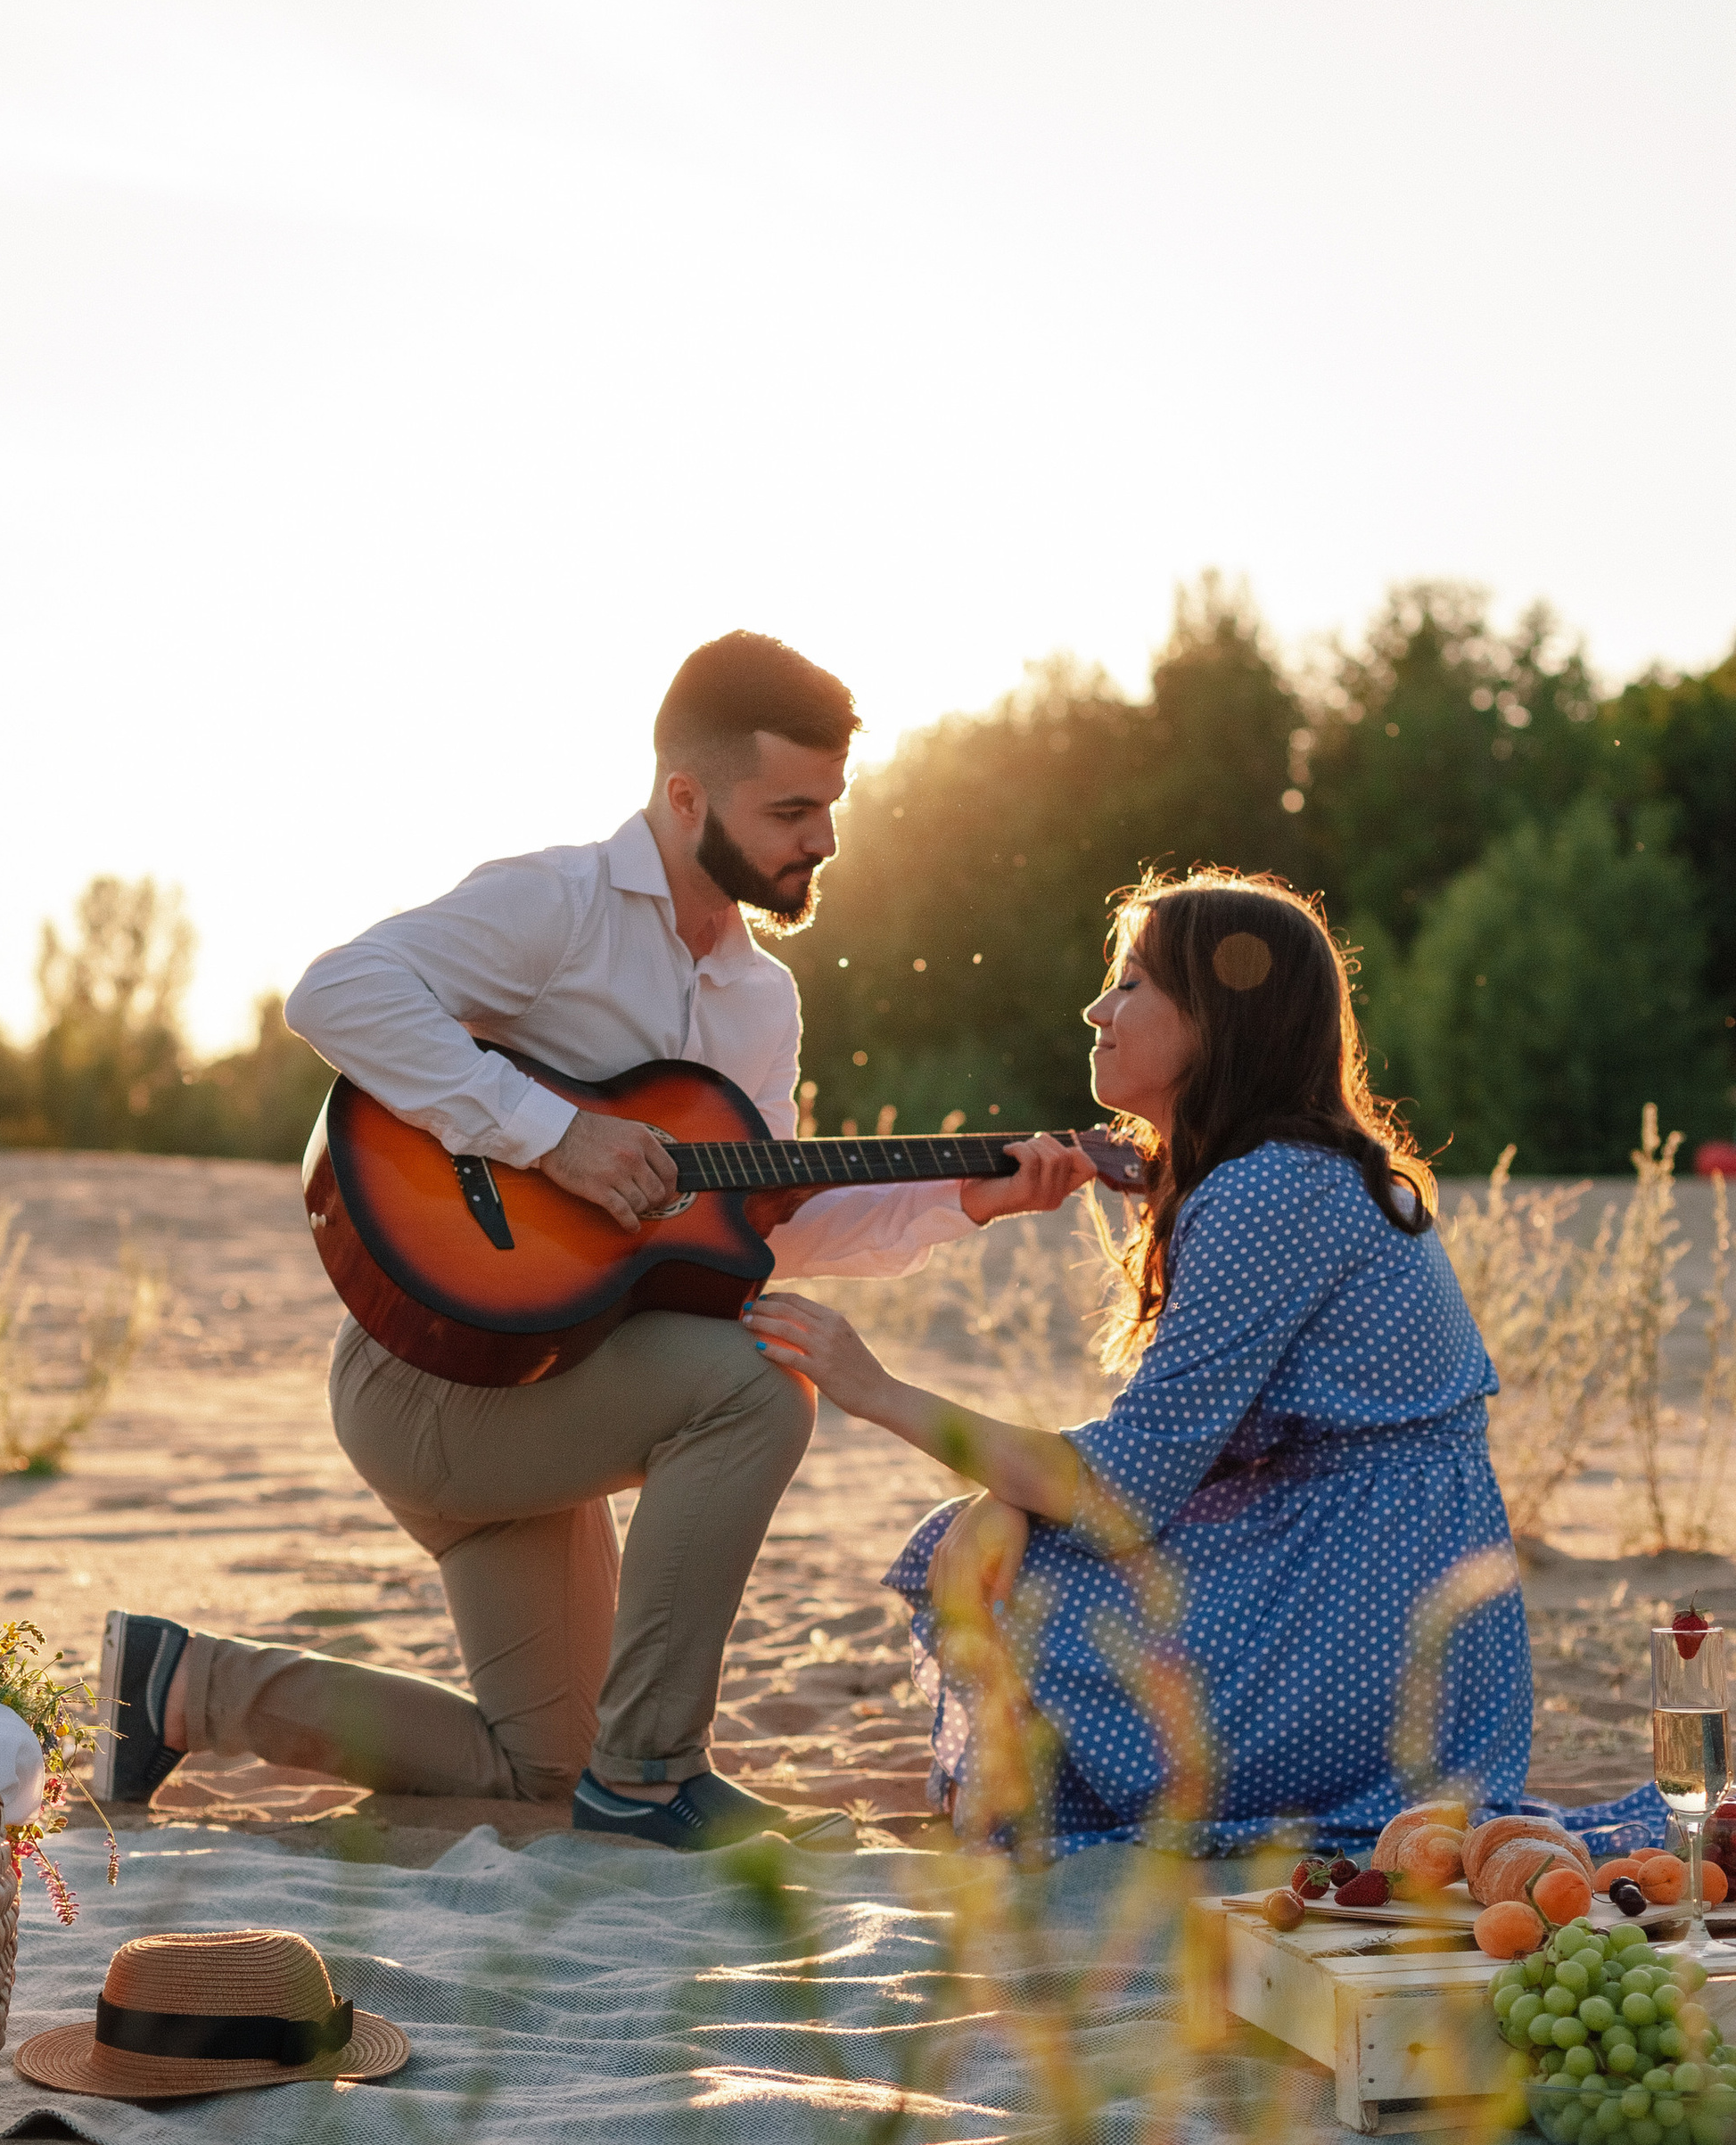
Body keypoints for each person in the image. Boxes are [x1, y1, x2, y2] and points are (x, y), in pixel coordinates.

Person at [94, 631, 1092, 1850]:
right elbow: (336, 995)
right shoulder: (556, 906)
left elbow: (759, 1228)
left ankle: (184, 1685)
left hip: (548, 1390)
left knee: (538, 1770)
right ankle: (659, 1773)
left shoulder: (759, 1000)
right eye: (791, 809)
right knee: (756, 1392)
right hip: (426, 1376)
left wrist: (964, 1199)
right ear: (685, 796)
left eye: (830, 807)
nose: (821, 839)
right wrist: (548, 1134)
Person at [741, 869, 1532, 1853]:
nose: (1095, 1008)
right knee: (1000, 1531)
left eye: (1130, 983)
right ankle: (1058, 1810)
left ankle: (1077, 1817)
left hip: (1364, 1627)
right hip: (1384, 1588)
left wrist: (876, 1390)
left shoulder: (1268, 1193)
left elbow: (1121, 1489)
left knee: (1013, 1569)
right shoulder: (1286, 1174)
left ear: (1217, 1021)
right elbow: (1159, 1450)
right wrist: (1009, 1495)